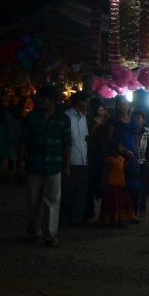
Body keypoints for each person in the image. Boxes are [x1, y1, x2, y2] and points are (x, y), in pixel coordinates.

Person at [18, 85, 71, 248]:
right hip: (34, 165)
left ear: (53, 100)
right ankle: (34, 232)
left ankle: (50, 235)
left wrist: (67, 165)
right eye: (40, 99)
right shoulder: (32, 117)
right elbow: (23, 141)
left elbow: (67, 143)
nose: (41, 101)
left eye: (44, 99)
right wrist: (20, 161)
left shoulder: (63, 119)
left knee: (53, 202)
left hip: (54, 166)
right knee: (33, 201)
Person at [106, 99, 142, 216]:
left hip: (132, 155)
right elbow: (109, 139)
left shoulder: (134, 121)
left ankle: (131, 214)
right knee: (119, 186)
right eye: (120, 105)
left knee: (133, 185)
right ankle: (118, 214)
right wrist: (122, 150)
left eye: (125, 104)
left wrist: (137, 155)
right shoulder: (113, 120)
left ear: (129, 106)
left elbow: (136, 139)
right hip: (118, 155)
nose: (123, 107)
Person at [61, 91, 90, 223]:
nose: (88, 104)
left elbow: (84, 140)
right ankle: (65, 217)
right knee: (68, 192)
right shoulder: (66, 116)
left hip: (83, 160)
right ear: (79, 101)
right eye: (86, 101)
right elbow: (66, 141)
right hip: (72, 160)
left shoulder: (83, 118)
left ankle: (76, 219)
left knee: (80, 192)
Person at [100, 139, 137, 227]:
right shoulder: (110, 159)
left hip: (120, 183)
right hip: (112, 184)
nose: (122, 147)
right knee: (114, 202)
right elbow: (105, 173)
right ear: (114, 148)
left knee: (120, 202)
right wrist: (102, 185)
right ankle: (114, 220)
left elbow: (125, 165)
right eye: (120, 145)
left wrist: (127, 153)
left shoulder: (121, 159)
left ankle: (119, 219)